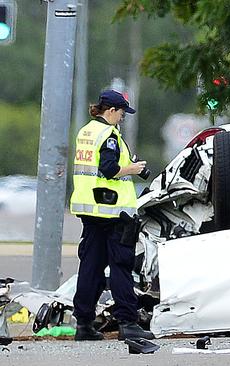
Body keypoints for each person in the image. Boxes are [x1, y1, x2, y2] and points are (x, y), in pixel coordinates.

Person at [69, 89, 153, 341]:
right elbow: (108, 169)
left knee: (91, 267)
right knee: (121, 266)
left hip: (90, 210)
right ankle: (127, 322)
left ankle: (83, 324)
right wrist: (133, 168)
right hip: (113, 211)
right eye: (122, 113)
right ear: (111, 110)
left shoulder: (87, 131)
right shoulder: (109, 135)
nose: (123, 118)